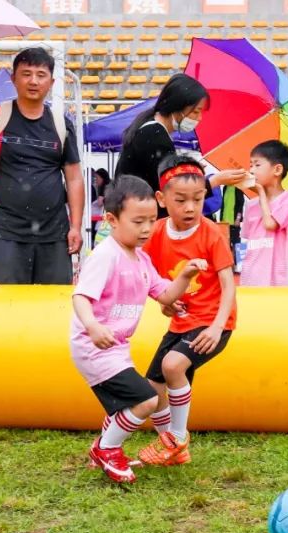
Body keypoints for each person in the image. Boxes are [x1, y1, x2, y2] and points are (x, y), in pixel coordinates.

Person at [72, 176, 205, 484]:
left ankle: (101, 447)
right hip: (94, 348)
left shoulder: (141, 258)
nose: (146, 229)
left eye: (151, 221)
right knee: (146, 400)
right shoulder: (105, 256)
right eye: (138, 222)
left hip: (115, 349)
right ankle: (108, 449)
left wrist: (185, 276)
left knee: (139, 400)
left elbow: (165, 295)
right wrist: (92, 326)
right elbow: (80, 297)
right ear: (111, 220)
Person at [138, 155, 237, 467]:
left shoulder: (211, 234)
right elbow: (147, 276)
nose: (191, 208)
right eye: (180, 200)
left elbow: (229, 285)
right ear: (162, 199)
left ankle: (177, 439)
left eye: (198, 199)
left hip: (212, 323)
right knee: (152, 389)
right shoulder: (154, 234)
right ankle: (172, 449)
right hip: (181, 324)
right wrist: (163, 301)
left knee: (172, 365)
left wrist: (217, 327)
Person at [0, 48, 84, 285]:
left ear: (51, 81)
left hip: (54, 234)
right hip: (7, 233)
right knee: (8, 307)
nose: (33, 81)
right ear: (13, 79)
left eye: (40, 75)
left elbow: (74, 178)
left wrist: (76, 226)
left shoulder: (61, 123)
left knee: (55, 306)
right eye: (26, 74)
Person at [115, 73, 248, 218]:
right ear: (178, 106)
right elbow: (173, 189)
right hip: (137, 217)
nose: (199, 118)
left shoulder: (152, 130)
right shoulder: (155, 135)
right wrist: (217, 180)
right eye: (196, 111)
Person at [240, 140, 288, 286]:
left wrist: (260, 193)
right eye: (250, 165)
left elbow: (270, 224)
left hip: (279, 278)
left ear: (277, 170)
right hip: (251, 276)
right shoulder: (251, 204)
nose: (252, 170)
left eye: (257, 164)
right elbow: (247, 237)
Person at [90, 167, 111, 238]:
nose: (96, 181)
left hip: (105, 217)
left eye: (97, 178)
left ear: (102, 178)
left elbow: (99, 203)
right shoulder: (110, 186)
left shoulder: (105, 188)